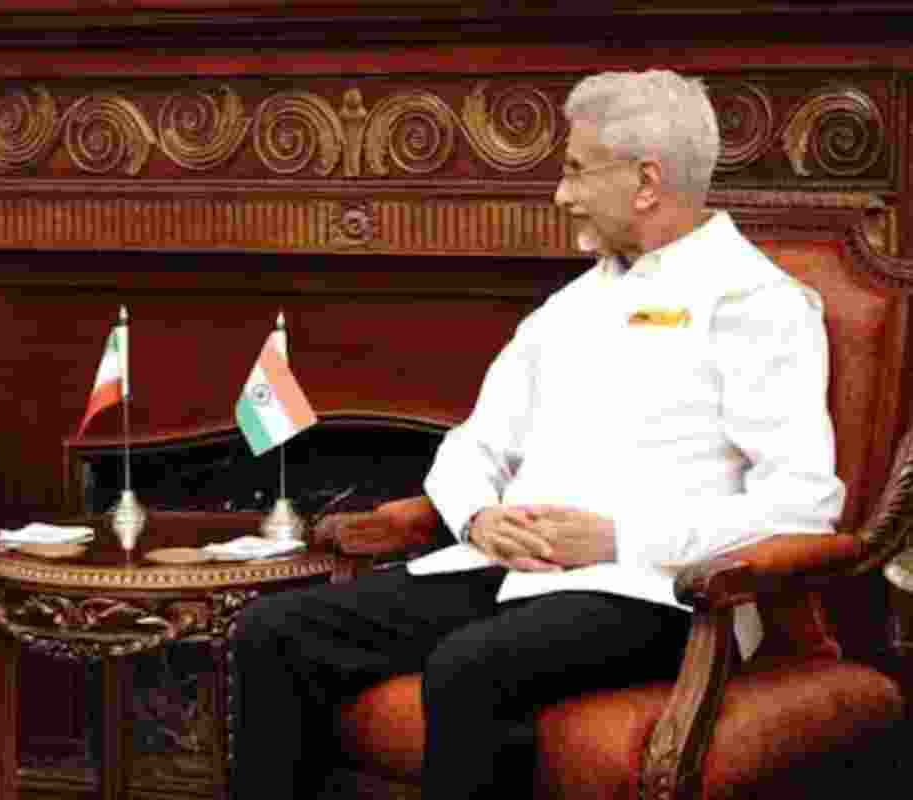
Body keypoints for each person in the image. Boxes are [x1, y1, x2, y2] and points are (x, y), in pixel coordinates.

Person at [229, 69, 845, 800]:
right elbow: (470, 446)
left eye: (578, 170)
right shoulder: (567, 310)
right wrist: (478, 516)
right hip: (507, 574)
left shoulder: (757, 304)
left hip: (656, 597)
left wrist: (620, 539)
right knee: (274, 632)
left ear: (647, 182)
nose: (562, 194)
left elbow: (802, 505)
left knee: (471, 666)